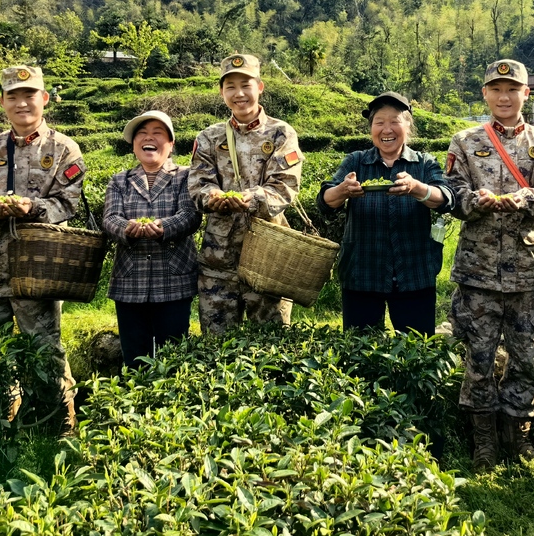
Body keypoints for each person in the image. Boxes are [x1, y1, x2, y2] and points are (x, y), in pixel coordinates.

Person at [447, 59, 534, 470]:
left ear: (525, 94)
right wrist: (472, 201)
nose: (504, 97)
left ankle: (518, 435)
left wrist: (526, 199)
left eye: (512, 89)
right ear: (485, 94)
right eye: (496, 89)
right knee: (478, 359)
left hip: (528, 269)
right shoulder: (464, 141)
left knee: (525, 357)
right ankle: (483, 439)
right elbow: (452, 192)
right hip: (477, 272)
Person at [0, 65, 86, 428]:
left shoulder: (64, 149)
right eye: (12, 96)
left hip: (38, 268)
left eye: (29, 95)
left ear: (44, 99)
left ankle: (58, 424)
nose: (21, 103)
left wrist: (32, 208)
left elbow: (68, 203)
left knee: (45, 349)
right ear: (2, 102)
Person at [317, 92, 454, 334]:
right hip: (362, 273)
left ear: (408, 125)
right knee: (359, 352)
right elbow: (325, 201)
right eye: (379, 122)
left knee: (417, 350)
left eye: (395, 121)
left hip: (415, 273)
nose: (386, 129)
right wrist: (343, 190)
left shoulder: (424, 163)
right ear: (371, 128)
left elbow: (446, 198)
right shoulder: (356, 162)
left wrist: (416, 188)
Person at [187, 53, 303, 335]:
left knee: (273, 345)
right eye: (230, 87)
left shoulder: (280, 134)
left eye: (245, 85)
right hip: (218, 260)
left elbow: (285, 186)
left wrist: (254, 198)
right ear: (221, 92)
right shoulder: (209, 137)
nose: (238, 94)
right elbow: (198, 184)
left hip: (267, 256)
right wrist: (212, 196)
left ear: (259, 87)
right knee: (215, 346)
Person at [103, 110, 202, 366]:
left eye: (158, 133)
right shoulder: (119, 181)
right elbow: (110, 219)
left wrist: (164, 226)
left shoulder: (185, 176)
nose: (150, 138)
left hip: (173, 279)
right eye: (143, 134)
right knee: (135, 357)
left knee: (174, 356)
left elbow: (190, 215)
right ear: (134, 145)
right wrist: (127, 228)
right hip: (130, 282)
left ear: (170, 145)